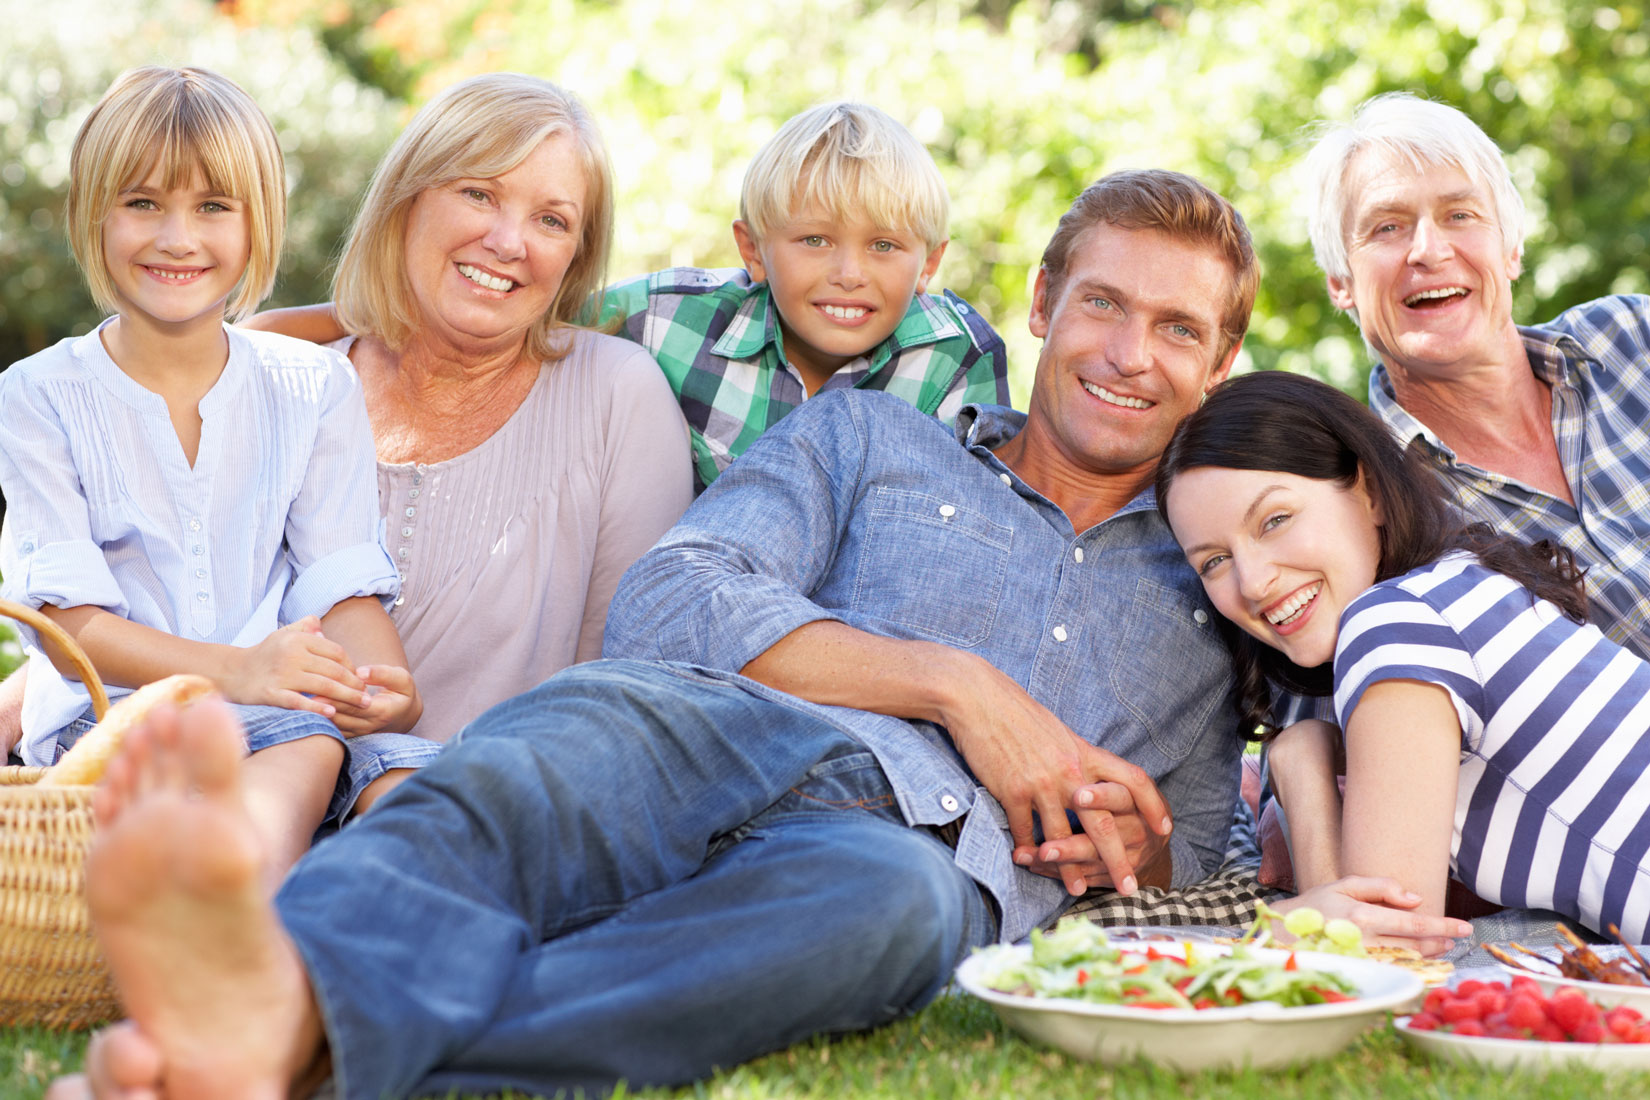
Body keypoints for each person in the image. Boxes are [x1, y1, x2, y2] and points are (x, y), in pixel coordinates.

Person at [50, 170, 1465, 1100]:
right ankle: (274, 996)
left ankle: (294, 1050)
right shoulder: (869, 437)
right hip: (720, 729)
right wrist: (959, 687)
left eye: (1174, 329)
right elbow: (676, 599)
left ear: (1217, 362)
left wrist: (1132, 851)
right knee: (539, 765)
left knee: (872, 922)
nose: (1125, 353)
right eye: (1100, 303)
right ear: (1041, 305)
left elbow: (1192, 868)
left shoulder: (1224, 572)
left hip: (919, 853)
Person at [1, 73, 696, 786]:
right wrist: (37, 696)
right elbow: (140, 592)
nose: (507, 240)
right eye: (478, 193)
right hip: (250, 769)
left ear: (577, 254)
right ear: (407, 200)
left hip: (476, 812)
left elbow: (637, 678)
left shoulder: (615, 393)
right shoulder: (292, 378)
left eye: (552, 220)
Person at [0, 66, 418, 876]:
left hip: (275, 716)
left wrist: (381, 679)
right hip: (108, 720)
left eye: (214, 207)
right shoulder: (38, 396)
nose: (177, 237)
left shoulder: (312, 386)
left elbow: (341, 584)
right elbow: (74, 629)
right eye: (143, 202)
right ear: (93, 215)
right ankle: (224, 918)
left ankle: (264, 914)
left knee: (360, 763)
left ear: (259, 224)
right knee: (272, 751)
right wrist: (242, 672)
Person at [1157, 369, 1650, 941]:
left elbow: (1381, 948)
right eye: (1213, 561)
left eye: (1275, 520)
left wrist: (1301, 772)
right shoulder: (1459, 583)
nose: (1254, 581)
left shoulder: (1395, 623)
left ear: (1369, 494)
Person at [1305, 91, 1650, 662]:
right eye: (1387, 227)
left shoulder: (1633, 335)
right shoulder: (1368, 516)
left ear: (1511, 246)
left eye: (1459, 215)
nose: (1429, 250)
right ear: (1339, 281)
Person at [599, 101, 1008, 490]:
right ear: (753, 250)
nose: (849, 276)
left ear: (930, 263)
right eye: (815, 240)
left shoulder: (958, 360)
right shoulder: (665, 318)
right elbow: (546, 324)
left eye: (883, 245)